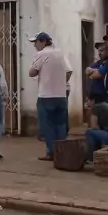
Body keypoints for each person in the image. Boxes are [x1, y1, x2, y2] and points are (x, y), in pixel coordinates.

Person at [29, 32, 70, 161]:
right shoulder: (60, 53)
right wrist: (61, 84)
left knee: (47, 126)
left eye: (35, 42)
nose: (35, 45)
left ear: (43, 41)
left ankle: (52, 153)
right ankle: (62, 151)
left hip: (46, 96)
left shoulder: (42, 54)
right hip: (61, 95)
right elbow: (69, 70)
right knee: (60, 125)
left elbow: (32, 73)